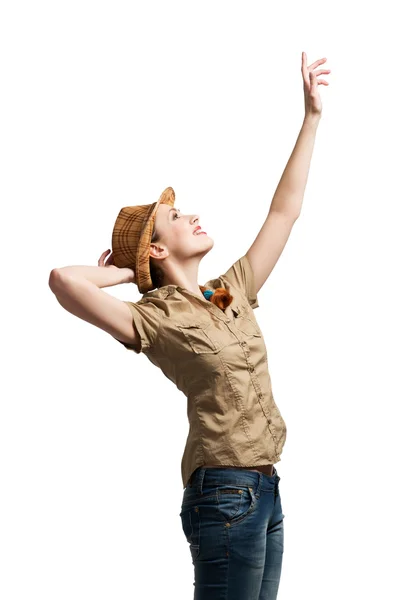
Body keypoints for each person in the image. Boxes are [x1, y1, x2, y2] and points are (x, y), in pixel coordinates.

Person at [49, 51, 330, 600]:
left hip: (266, 488)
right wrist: (130, 271)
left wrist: (311, 118)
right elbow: (63, 279)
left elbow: (283, 213)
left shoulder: (225, 293)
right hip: (223, 495)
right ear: (157, 247)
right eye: (176, 218)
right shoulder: (152, 318)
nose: (192, 215)